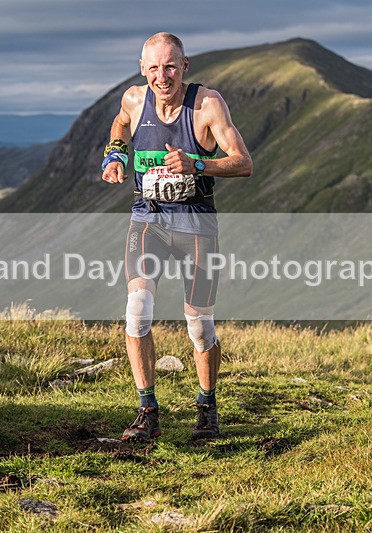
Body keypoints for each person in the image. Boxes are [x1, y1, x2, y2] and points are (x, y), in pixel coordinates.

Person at [101, 32, 252, 440]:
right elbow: (121, 121)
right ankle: (147, 410)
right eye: (153, 67)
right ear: (142, 68)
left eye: (170, 66)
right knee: (137, 311)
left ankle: (206, 406)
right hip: (147, 219)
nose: (161, 76)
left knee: (199, 327)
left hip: (196, 224)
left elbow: (243, 163)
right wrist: (115, 154)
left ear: (184, 66)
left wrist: (197, 164)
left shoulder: (206, 105)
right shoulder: (135, 99)